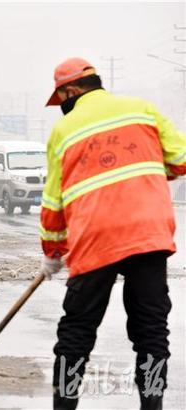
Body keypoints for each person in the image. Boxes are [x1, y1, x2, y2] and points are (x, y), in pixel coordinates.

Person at [39, 57, 186, 410]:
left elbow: (54, 202)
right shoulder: (142, 110)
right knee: (151, 332)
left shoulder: (64, 130)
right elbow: (180, 161)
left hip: (94, 239)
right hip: (147, 234)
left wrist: (52, 252)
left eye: (61, 101)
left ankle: (64, 407)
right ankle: (152, 405)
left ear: (71, 91)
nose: (62, 109)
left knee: (76, 331)